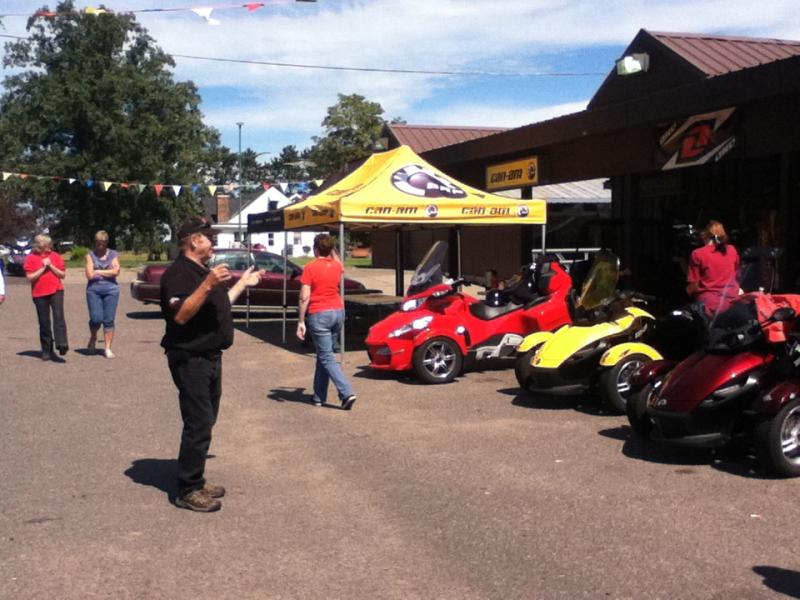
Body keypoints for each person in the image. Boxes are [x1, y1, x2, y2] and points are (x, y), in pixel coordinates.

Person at [160, 216, 261, 513]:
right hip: (190, 358)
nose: (213, 241)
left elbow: (221, 304)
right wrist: (207, 283)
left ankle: (196, 477)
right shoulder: (180, 274)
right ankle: (187, 489)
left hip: (210, 357)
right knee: (199, 421)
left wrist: (242, 283)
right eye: (208, 237)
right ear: (194, 241)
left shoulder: (203, 271)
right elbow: (180, 315)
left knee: (207, 419)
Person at [296, 234, 357, 410]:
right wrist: (332, 248)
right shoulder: (337, 266)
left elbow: (304, 296)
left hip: (319, 313)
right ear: (330, 249)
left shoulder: (310, 268)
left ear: (315, 249)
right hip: (338, 312)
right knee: (324, 354)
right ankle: (318, 396)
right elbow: (337, 259)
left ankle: (346, 392)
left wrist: (301, 320)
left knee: (326, 356)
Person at [24, 234, 68, 361]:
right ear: (41, 246)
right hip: (39, 293)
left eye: (51, 244)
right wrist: (43, 268)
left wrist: (51, 266)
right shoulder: (31, 258)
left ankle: (62, 343)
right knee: (44, 322)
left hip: (56, 290)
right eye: (48, 245)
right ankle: (47, 349)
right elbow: (30, 278)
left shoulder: (55, 256)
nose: (51, 247)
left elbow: (62, 274)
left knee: (59, 317)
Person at [686, 220, 741, 317]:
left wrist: (687, 291)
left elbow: (694, 285)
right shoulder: (732, 250)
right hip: (732, 303)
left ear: (704, 235)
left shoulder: (698, 254)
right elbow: (737, 275)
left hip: (709, 306)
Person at [85, 230, 121, 358]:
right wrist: (107, 271)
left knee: (109, 320)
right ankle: (93, 337)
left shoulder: (113, 254)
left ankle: (107, 348)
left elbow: (116, 271)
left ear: (106, 243)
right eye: (98, 243)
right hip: (94, 291)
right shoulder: (90, 256)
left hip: (111, 290)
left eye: (103, 243)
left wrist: (98, 271)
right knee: (96, 319)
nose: (100, 245)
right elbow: (89, 275)